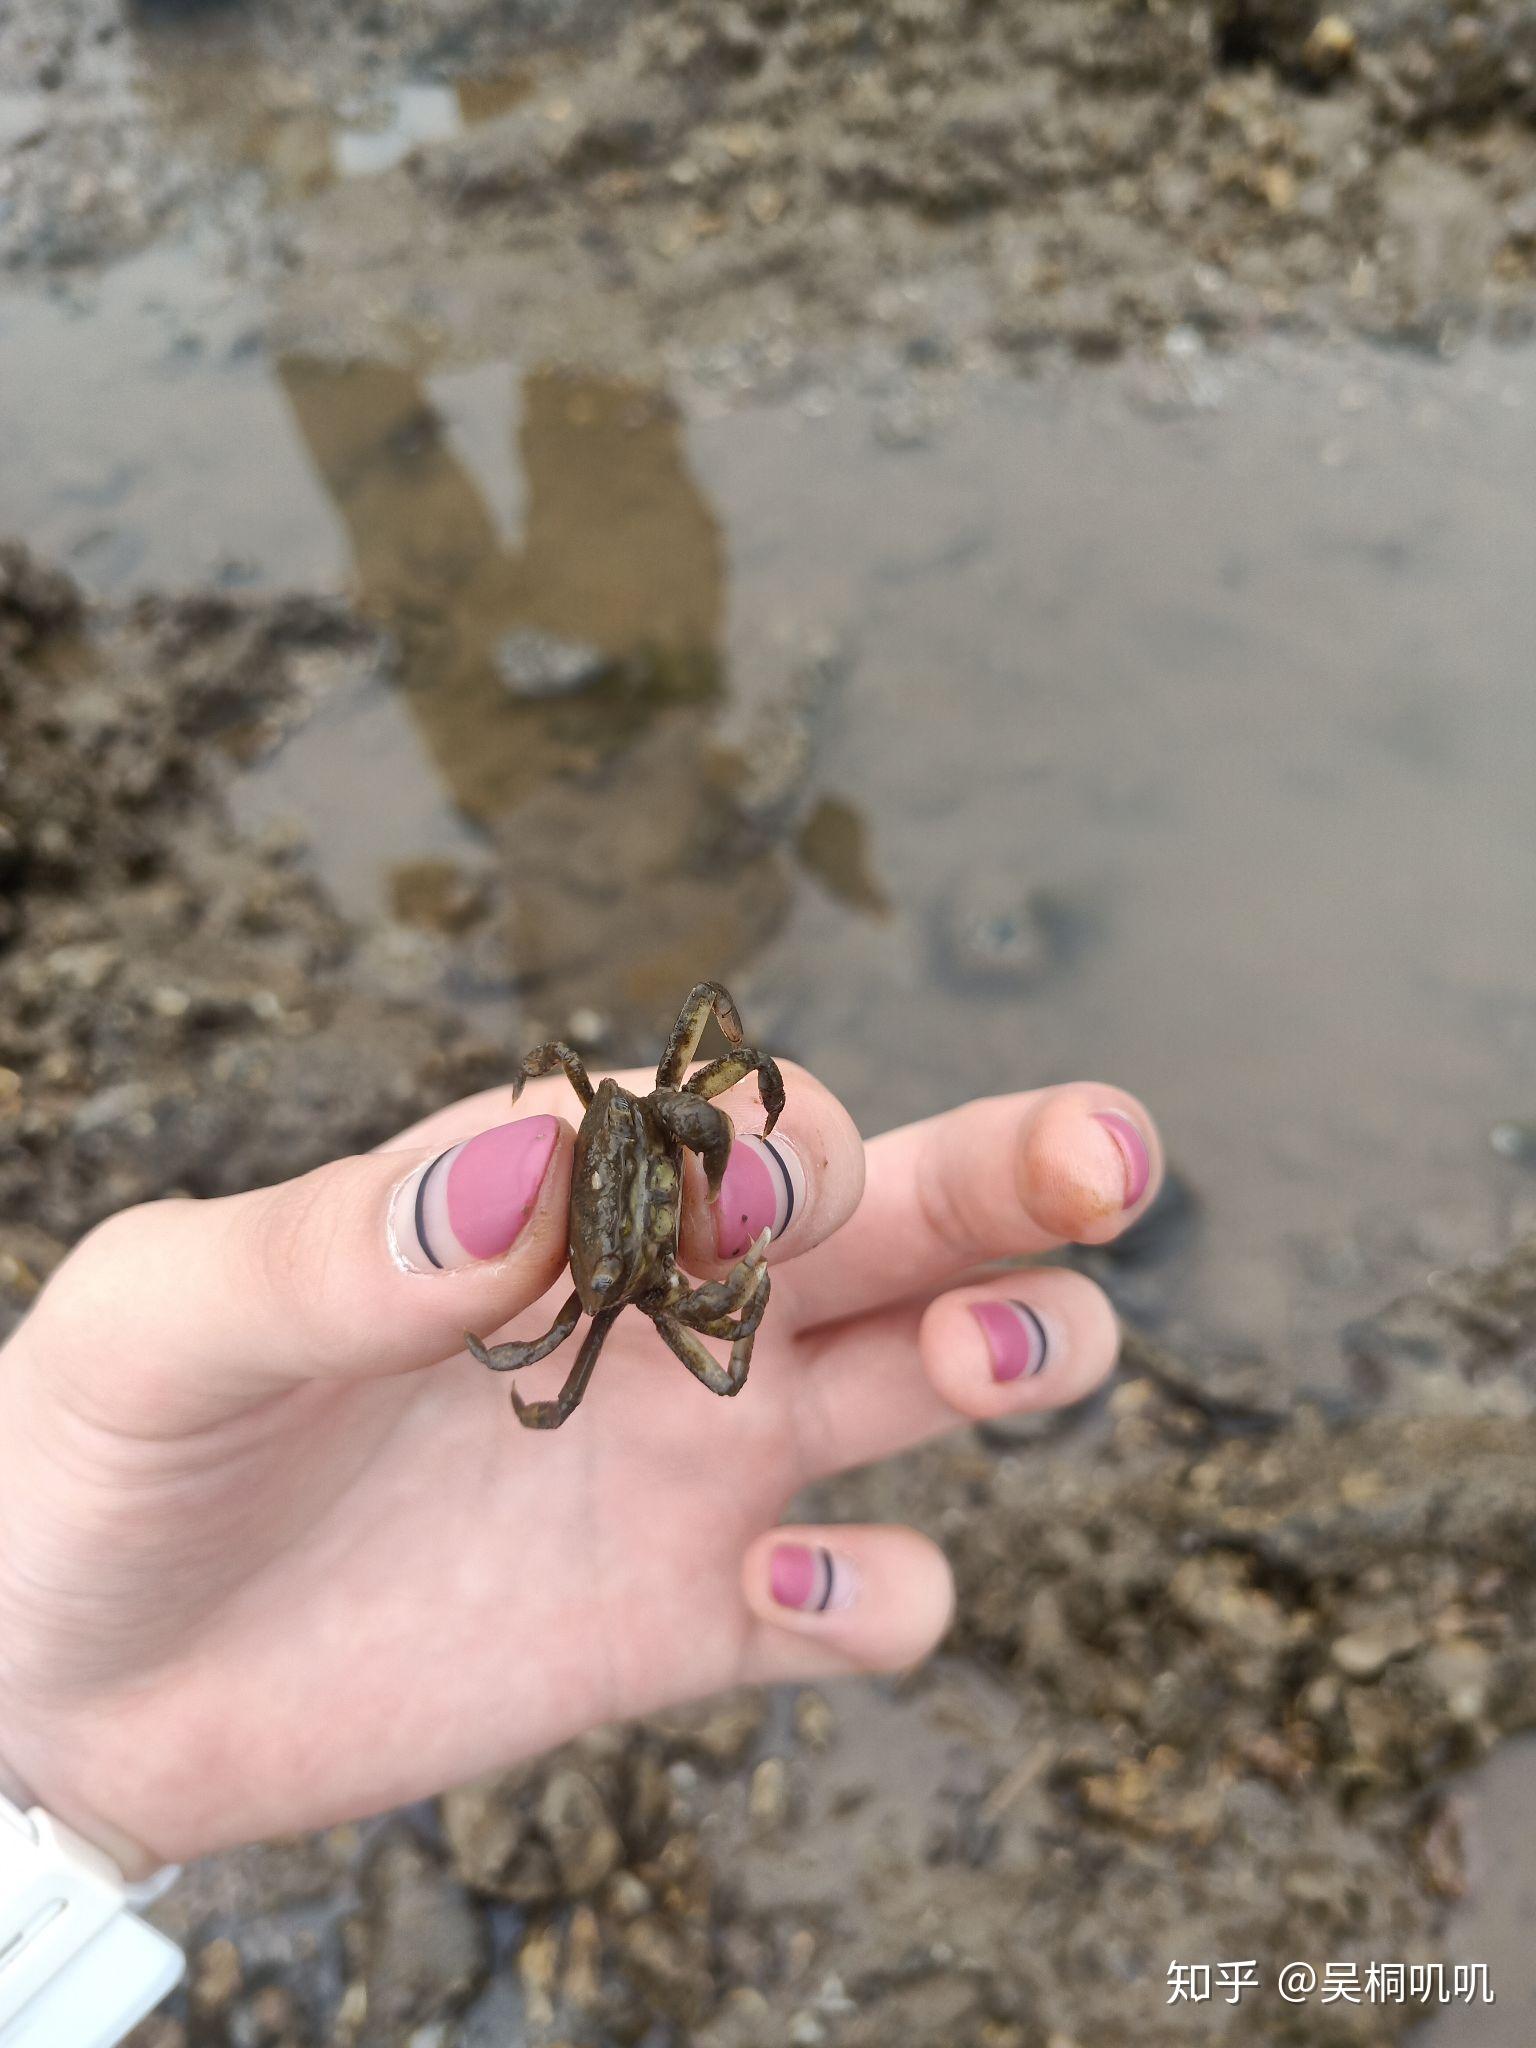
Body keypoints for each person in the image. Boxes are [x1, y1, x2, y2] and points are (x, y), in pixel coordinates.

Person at [0, 1061, 1157, 1880]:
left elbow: (713, 1072)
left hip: (628, 1252)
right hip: (609, 1273)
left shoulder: (646, 1154)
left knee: (725, 1290)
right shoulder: (591, 1288)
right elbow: (538, 1358)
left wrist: (57, 1751)